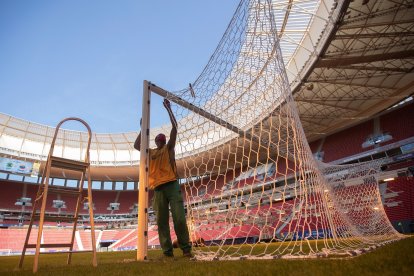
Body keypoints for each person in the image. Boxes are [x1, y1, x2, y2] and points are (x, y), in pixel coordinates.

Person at [134, 98, 192, 258]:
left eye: (162, 139)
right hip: (158, 189)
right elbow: (136, 146)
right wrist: (142, 128)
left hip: (172, 185)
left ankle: (186, 248)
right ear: (155, 141)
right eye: (158, 139)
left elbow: (175, 127)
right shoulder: (151, 152)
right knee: (161, 222)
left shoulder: (169, 148)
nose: (160, 140)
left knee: (179, 218)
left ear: (164, 140)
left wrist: (169, 109)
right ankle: (167, 252)